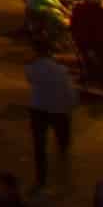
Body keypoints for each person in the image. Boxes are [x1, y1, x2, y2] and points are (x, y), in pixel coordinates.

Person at [26, 39, 77, 188]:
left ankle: (41, 178)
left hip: (39, 108)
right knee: (62, 139)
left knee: (39, 146)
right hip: (59, 109)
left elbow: (30, 77)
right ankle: (63, 166)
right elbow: (70, 92)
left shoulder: (32, 68)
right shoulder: (61, 70)